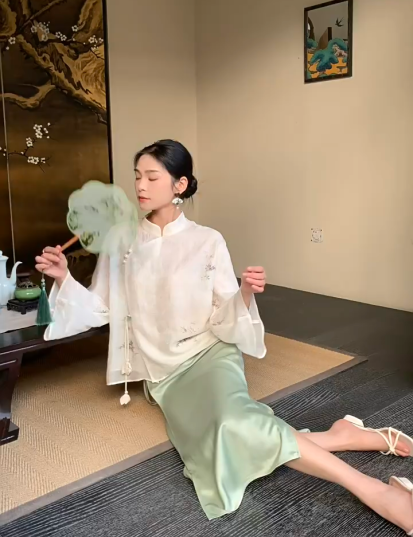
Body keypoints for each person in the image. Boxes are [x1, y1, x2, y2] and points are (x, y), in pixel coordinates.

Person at [36, 139, 413, 533]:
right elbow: (101, 307)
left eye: (152, 177)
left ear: (180, 184)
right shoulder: (121, 242)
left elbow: (225, 310)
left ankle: (376, 491)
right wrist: (63, 277)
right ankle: (338, 436)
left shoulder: (207, 240)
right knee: (223, 436)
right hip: (163, 373)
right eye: (137, 177)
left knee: (233, 422)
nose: (141, 186)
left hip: (209, 353)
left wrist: (245, 292)